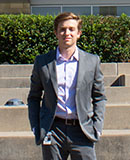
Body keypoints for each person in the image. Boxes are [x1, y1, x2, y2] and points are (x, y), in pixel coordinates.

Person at [28, 12, 106, 160]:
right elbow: (33, 97)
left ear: (79, 33)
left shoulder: (92, 61)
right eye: (62, 29)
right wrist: (36, 127)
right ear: (56, 33)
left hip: (82, 130)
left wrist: (98, 127)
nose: (67, 33)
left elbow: (100, 97)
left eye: (71, 29)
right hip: (53, 129)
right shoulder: (42, 62)